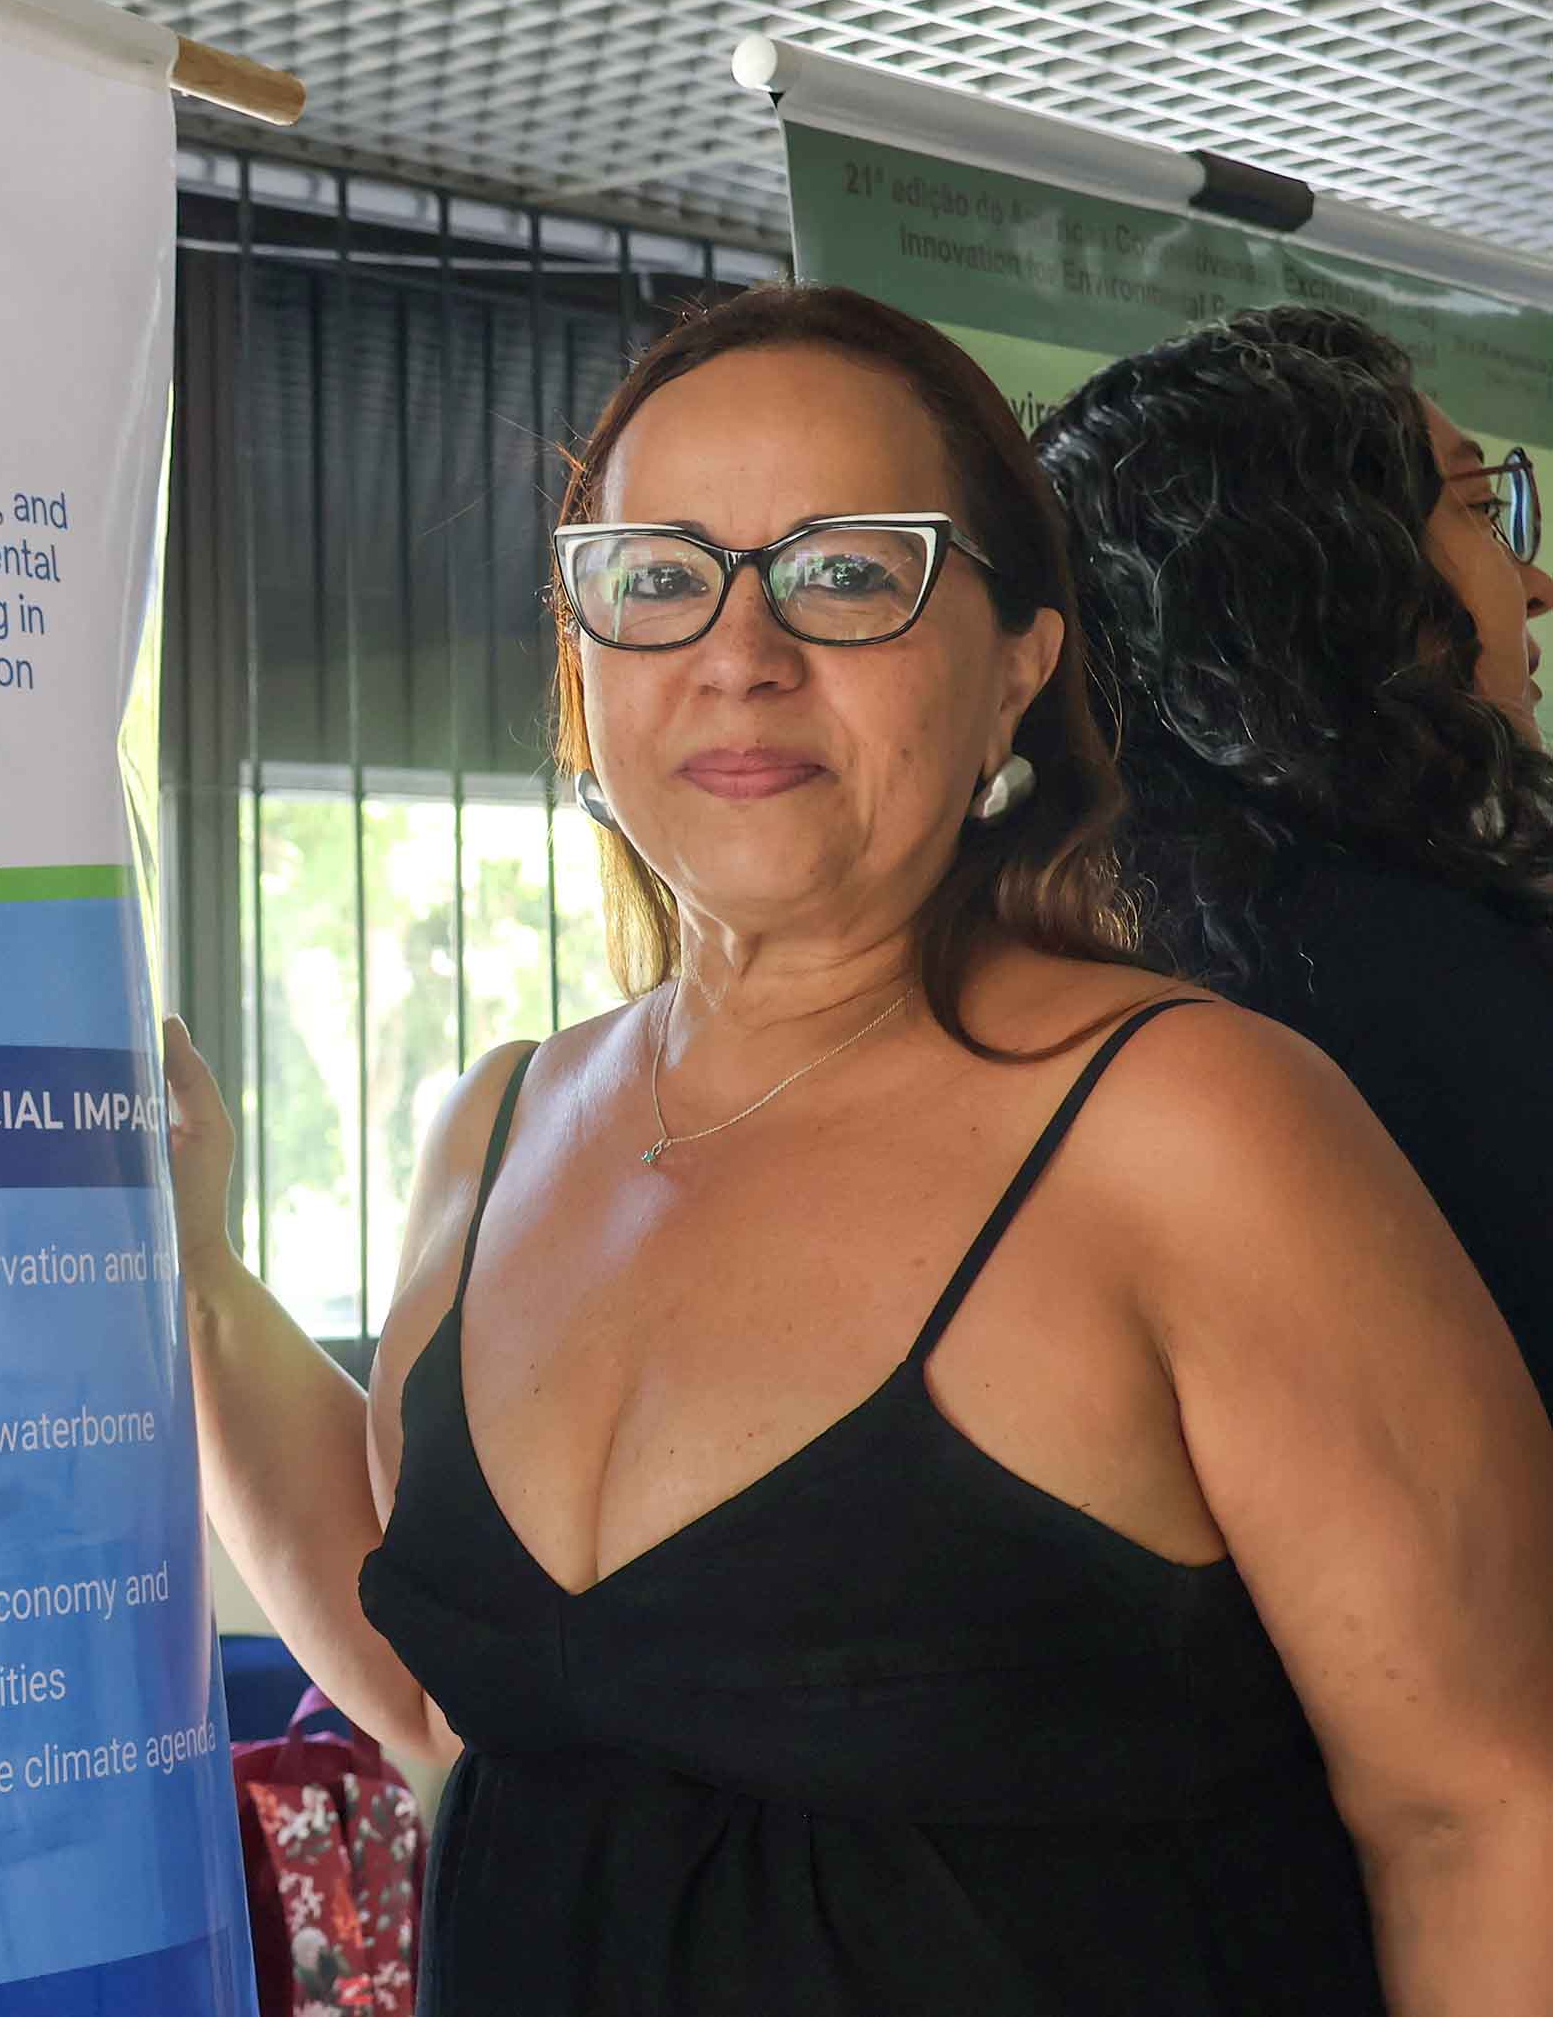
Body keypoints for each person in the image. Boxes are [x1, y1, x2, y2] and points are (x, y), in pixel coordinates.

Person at [178, 283, 1553, 2013]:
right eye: (656, 576)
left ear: (1017, 669)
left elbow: (1478, 1813)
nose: (737, 650)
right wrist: (191, 1268)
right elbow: (455, 1703)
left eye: (845, 570)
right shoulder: (495, 1130)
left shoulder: (1190, 1124)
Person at [1037, 306, 1553, 1403]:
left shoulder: (1078, 973)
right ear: (1335, 580)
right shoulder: (1444, 986)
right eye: (1477, 511)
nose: (1535, 585)